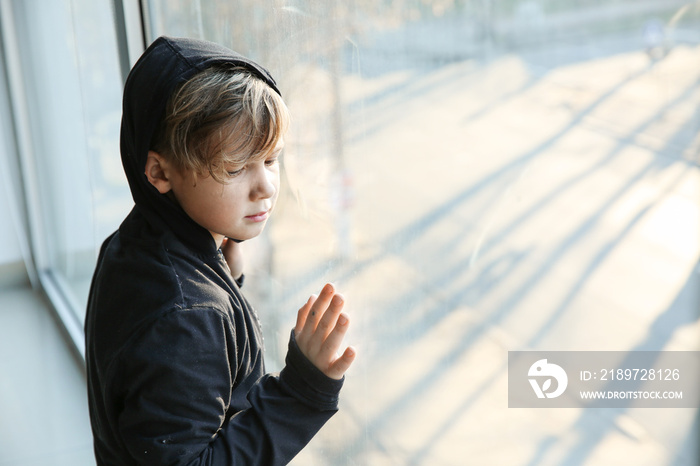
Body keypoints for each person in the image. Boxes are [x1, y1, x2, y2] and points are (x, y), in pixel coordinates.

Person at [84, 36, 356, 465]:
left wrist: (220, 276)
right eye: (235, 167)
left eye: (271, 159)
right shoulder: (187, 320)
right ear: (159, 171)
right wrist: (303, 390)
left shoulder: (130, 244)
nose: (266, 186)